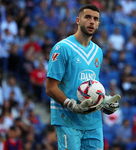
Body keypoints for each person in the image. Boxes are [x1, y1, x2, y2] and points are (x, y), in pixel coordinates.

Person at [46, 4, 121, 150]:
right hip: (68, 120)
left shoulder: (98, 51)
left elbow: (90, 86)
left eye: (95, 19)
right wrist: (71, 105)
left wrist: (104, 100)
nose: (91, 21)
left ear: (99, 24)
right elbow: (50, 88)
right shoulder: (62, 48)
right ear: (78, 20)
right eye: (87, 17)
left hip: (93, 122)